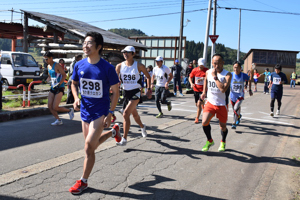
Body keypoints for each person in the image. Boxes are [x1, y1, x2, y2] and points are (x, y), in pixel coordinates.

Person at [69, 32, 121, 194]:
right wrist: (76, 98)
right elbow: (73, 83)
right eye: (84, 43)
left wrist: (110, 112)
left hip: (100, 112)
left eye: (89, 43)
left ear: (99, 47)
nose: (85, 45)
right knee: (91, 148)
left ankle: (83, 181)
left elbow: (116, 92)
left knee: (87, 147)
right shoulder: (79, 65)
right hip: (85, 110)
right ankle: (113, 132)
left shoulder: (107, 68)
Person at [115, 46, 152, 146]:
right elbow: (115, 79)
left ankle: (124, 139)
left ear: (133, 54)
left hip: (136, 92)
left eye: (128, 52)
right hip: (126, 93)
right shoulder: (119, 66)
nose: (125, 54)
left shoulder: (139, 65)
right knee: (134, 115)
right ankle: (142, 126)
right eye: (124, 52)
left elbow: (148, 77)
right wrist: (116, 83)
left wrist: (148, 89)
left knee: (126, 113)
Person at [200, 54, 232, 152]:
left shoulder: (227, 74)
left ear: (223, 63)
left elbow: (222, 89)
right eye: (214, 63)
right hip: (210, 102)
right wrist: (204, 92)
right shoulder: (208, 72)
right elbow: (206, 79)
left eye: (218, 63)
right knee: (204, 122)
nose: (216, 66)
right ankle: (209, 141)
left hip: (222, 104)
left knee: (223, 127)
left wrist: (215, 77)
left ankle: (223, 141)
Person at [44, 51, 74, 126]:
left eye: (47, 59)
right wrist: (46, 80)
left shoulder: (57, 65)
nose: (45, 61)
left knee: (55, 107)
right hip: (53, 87)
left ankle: (70, 110)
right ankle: (58, 120)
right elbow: (50, 76)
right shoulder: (48, 66)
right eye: (44, 59)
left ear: (51, 58)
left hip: (59, 87)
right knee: (50, 106)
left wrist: (59, 84)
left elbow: (64, 75)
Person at [230, 61, 253, 129]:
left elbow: (249, 80)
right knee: (235, 109)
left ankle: (234, 122)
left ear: (240, 68)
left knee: (236, 107)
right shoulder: (231, 75)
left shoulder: (243, 75)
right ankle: (239, 116)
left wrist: (250, 90)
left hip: (240, 95)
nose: (236, 69)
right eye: (234, 67)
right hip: (232, 95)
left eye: (237, 67)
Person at [189, 58, 208, 124]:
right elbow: (190, 77)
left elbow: (209, 77)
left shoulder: (207, 70)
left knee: (199, 103)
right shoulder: (195, 70)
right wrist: (191, 83)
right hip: (196, 89)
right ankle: (203, 105)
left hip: (203, 91)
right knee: (197, 104)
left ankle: (197, 118)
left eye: (202, 65)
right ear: (198, 64)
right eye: (200, 65)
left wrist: (202, 78)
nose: (201, 66)